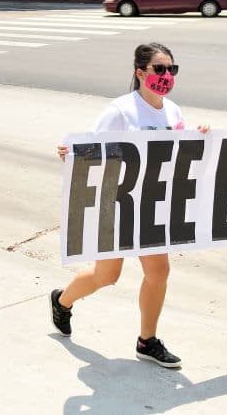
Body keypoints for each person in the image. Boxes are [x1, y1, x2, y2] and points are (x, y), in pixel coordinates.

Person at [51, 43, 207, 369]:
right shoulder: (121, 111)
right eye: (159, 69)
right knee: (107, 276)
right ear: (140, 73)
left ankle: (147, 341)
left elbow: (177, 153)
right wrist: (74, 153)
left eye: (171, 70)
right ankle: (62, 301)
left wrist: (200, 137)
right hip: (117, 204)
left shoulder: (173, 112)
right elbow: (94, 149)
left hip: (151, 205)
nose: (166, 76)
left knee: (159, 272)